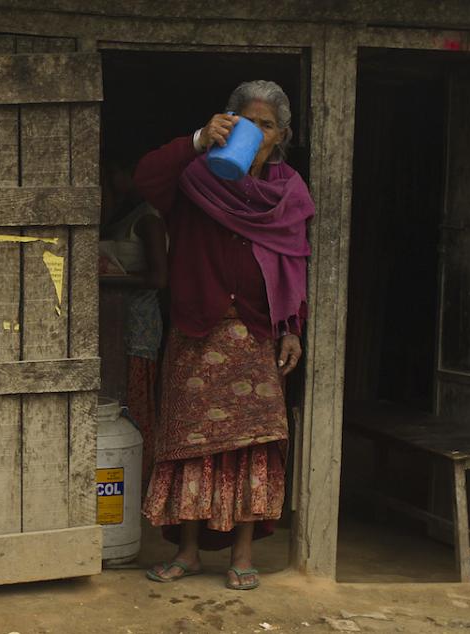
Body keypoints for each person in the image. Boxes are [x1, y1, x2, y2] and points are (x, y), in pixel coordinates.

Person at [134, 80, 313, 591]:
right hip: (196, 328)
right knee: (191, 444)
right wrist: (197, 139)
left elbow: (293, 264)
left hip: (256, 335)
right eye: (247, 121)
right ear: (229, 124)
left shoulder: (288, 192)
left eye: (267, 125)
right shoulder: (194, 177)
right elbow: (145, 177)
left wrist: (292, 329)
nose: (256, 133)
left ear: (280, 138)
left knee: (253, 446)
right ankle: (187, 553)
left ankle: (242, 554)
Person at [99, 156, 168, 468]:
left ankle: (140, 477)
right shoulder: (122, 215)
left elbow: (159, 278)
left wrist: (115, 280)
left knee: (136, 400)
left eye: (115, 175)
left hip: (139, 322)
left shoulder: (148, 219)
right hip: (116, 321)